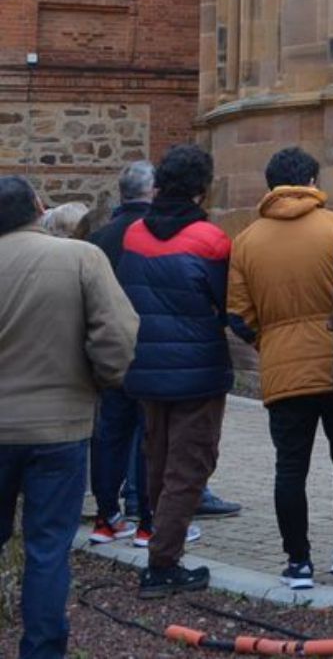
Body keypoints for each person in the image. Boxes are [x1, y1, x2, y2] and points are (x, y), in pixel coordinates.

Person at [0, 175, 138, 659]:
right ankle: (41, 651)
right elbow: (117, 336)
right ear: (39, 207)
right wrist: (101, 381)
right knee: (48, 548)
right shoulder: (80, 258)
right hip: (59, 426)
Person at [227, 146, 333, 588]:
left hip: (282, 370)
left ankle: (297, 562)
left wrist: (270, 341)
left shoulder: (246, 241)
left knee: (290, 467)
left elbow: (237, 316)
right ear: (313, 180)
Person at [117, 144, 233, 599]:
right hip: (197, 371)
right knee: (189, 467)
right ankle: (163, 563)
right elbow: (227, 306)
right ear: (202, 190)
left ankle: (157, 545)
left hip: (146, 367)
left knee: (158, 461)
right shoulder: (211, 239)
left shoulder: (133, 235)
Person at [87, 159, 155, 544]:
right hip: (148, 348)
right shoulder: (154, 234)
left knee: (109, 434)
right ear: (153, 191)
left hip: (108, 351)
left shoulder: (99, 238)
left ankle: (106, 516)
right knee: (150, 436)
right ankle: (148, 521)